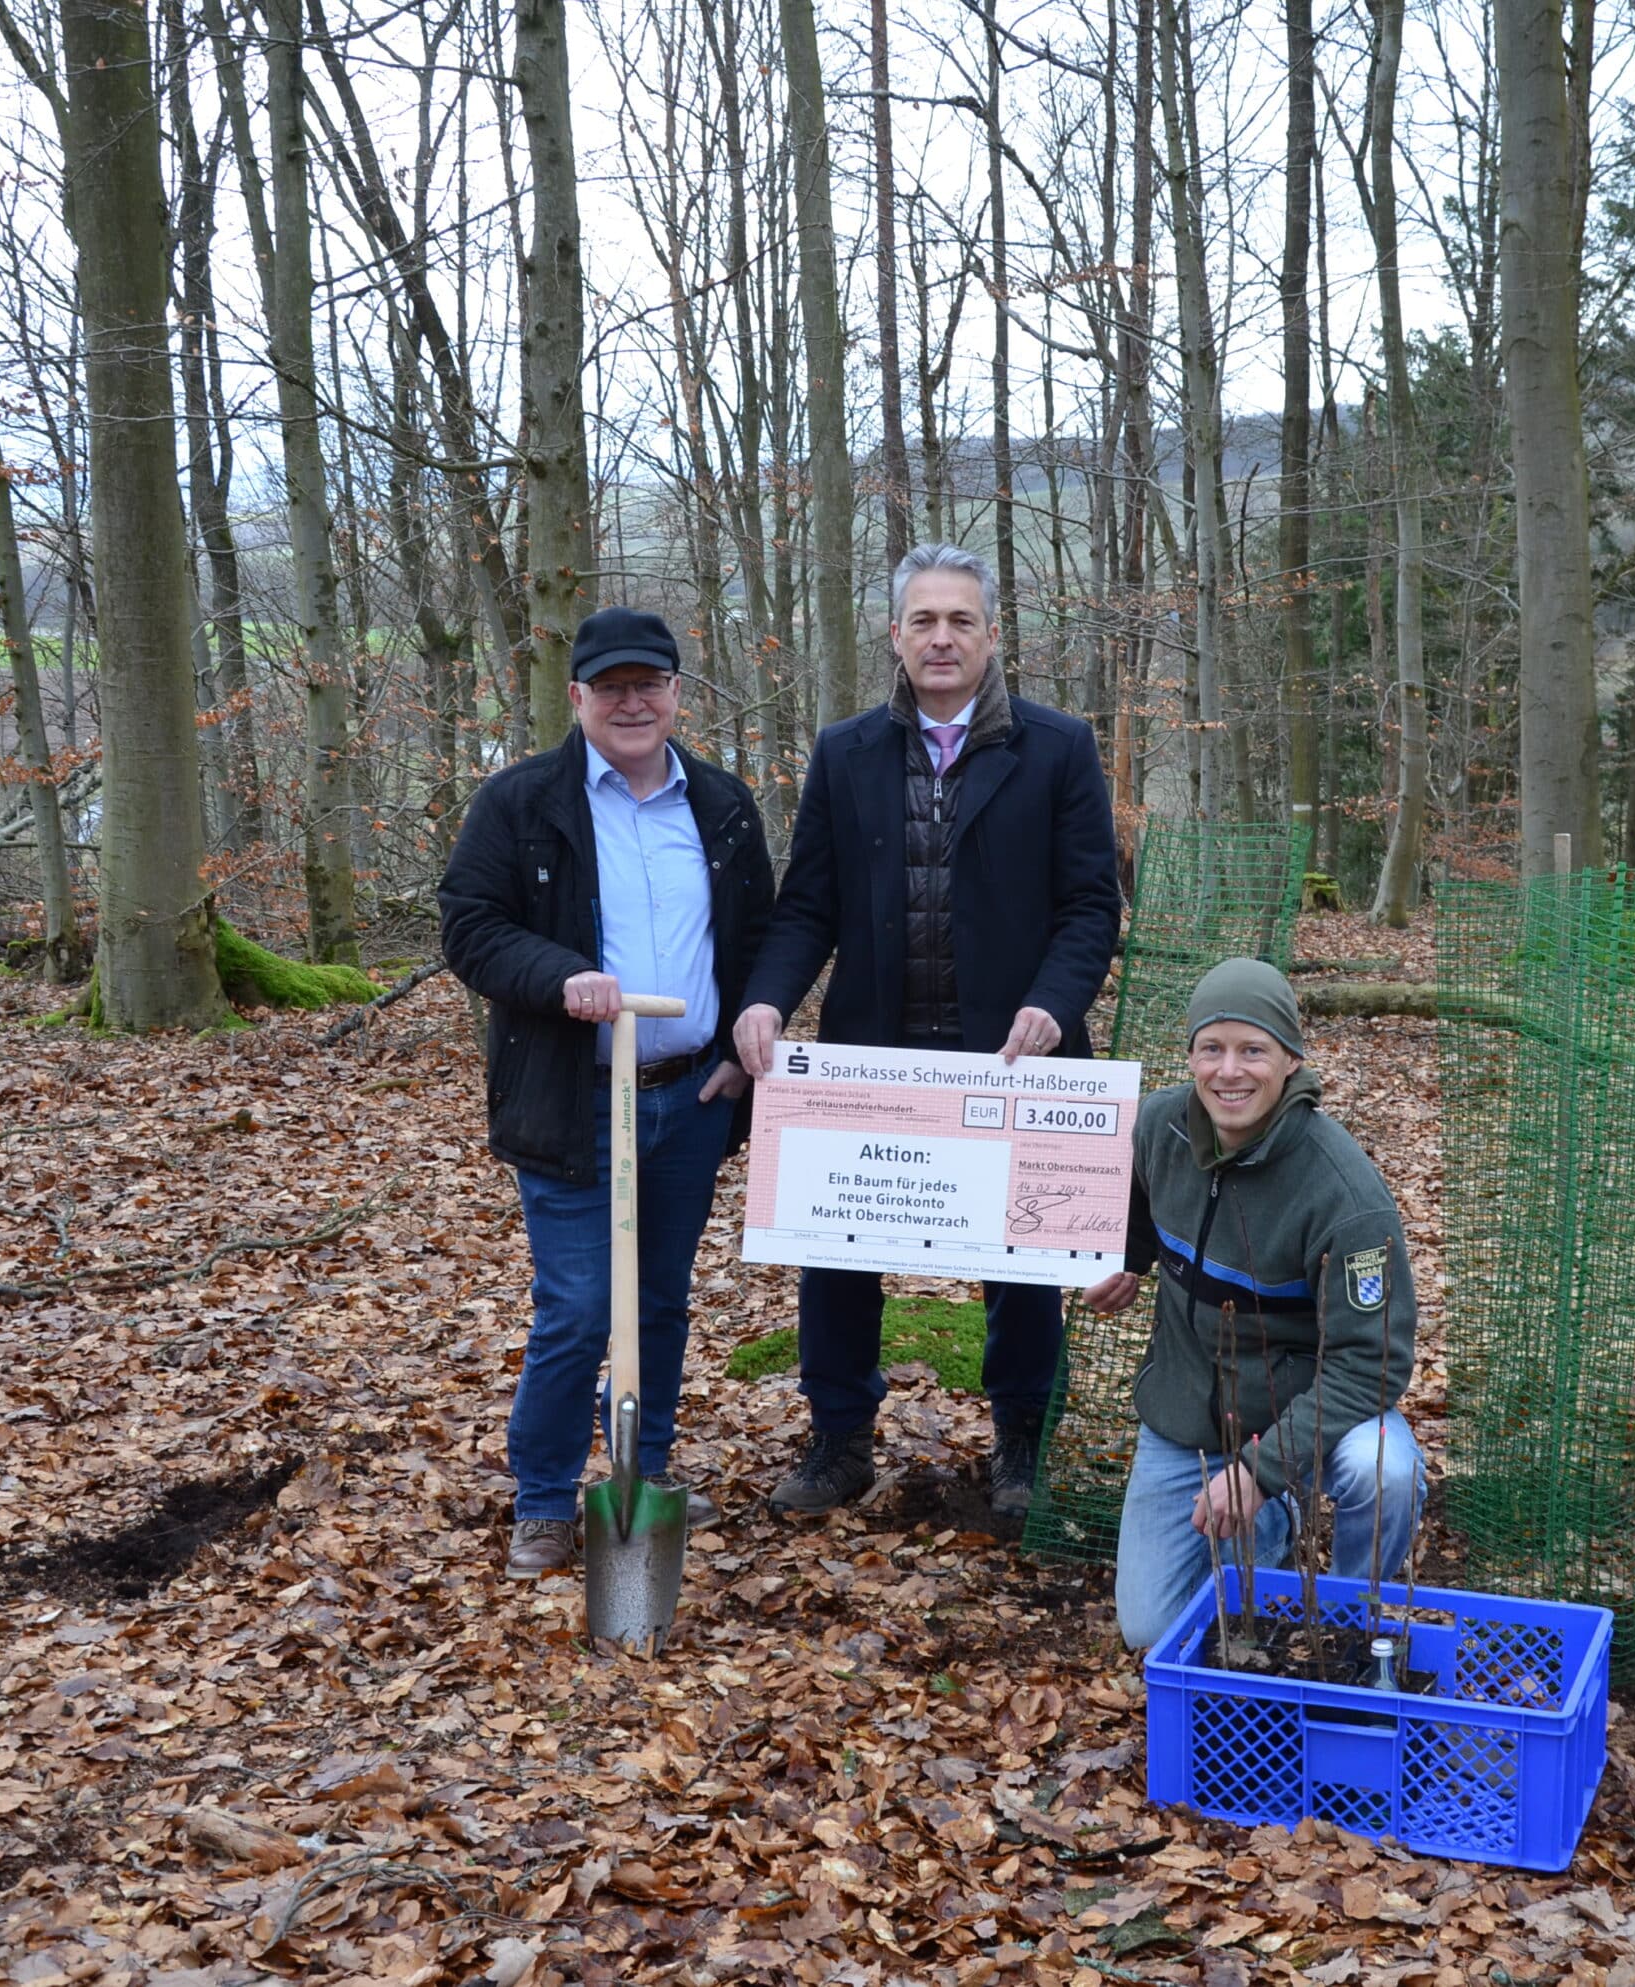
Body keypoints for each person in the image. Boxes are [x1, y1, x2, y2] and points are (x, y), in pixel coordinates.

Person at [734, 543, 1122, 1517]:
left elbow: (1089, 906)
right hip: (873, 1056)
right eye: (924, 621)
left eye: (961, 620)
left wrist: (1053, 1002)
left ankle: (1022, 1446)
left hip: (1013, 1055)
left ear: (992, 636)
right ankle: (839, 1442)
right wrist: (767, 1000)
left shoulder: (1059, 747)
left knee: (1022, 1265)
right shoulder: (846, 752)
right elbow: (807, 905)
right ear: (895, 636)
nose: (941, 637)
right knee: (835, 1253)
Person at [440, 607, 775, 1576]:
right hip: (575, 1097)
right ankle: (544, 1498)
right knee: (583, 1307)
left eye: (651, 683)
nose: (633, 701)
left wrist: (738, 1048)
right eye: (611, 685)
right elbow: (468, 925)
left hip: (691, 1096)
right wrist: (558, 976)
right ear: (578, 696)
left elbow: (758, 940)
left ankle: (643, 1476)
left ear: (676, 694)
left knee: (661, 1301)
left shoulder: (720, 804)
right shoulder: (521, 802)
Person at [1085, 958, 1425, 1652]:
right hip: (1187, 1416)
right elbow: (1141, 1203)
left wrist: (1262, 1469)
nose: (1229, 1071)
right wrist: (1128, 1258)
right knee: (1149, 1626)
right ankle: (1270, 1520)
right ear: (1189, 1055)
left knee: (1386, 1470)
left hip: (1301, 1414)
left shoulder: (1345, 1197)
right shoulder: (1159, 1126)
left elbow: (1374, 1362)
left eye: (1253, 1050)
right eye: (1211, 1048)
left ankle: (1352, 1622)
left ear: (1291, 1060)